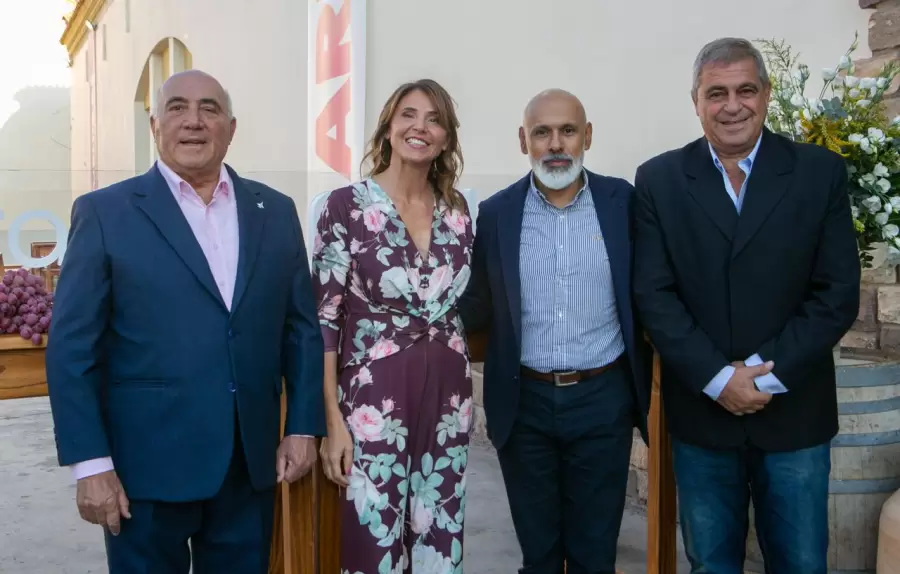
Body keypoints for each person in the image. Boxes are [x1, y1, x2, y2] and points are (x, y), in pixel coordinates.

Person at [45, 69, 325, 574]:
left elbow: (300, 329)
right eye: (177, 107)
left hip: (248, 467)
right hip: (143, 474)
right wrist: (90, 464)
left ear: (232, 128)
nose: (193, 122)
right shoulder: (105, 213)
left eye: (209, 109)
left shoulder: (275, 211)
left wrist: (303, 425)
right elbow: (71, 350)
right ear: (155, 125)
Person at [633, 37, 861, 574]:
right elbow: (654, 295)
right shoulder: (660, 180)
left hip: (794, 414)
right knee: (710, 564)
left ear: (766, 94)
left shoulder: (818, 173)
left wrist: (759, 380)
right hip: (703, 417)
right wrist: (717, 377)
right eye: (716, 93)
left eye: (745, 90)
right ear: (696, 102)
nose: (732, 105)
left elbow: (836, 295)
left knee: (802, 564)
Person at [459, 88, 651, 574]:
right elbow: (477, 302)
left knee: (594, 555)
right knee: (539, 555)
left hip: (602, 400)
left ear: (587, 136)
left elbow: (653, 289)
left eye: (567, 130)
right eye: (542, 132)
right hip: (524, 404)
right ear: (524, 141)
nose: (556, 143)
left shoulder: (621, 202)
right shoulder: (498, 213)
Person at [312, 79, 473, 573]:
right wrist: (332, 424)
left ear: (446, 138)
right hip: (372, 400)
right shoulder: (344, 207)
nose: (419, 127)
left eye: (433, 119)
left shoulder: (459, 212)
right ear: (387, 127)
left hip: (449, 398)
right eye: (408, 114)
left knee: (440, 535)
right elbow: (325, 321)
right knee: (373, 538)